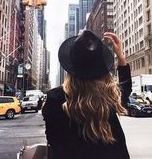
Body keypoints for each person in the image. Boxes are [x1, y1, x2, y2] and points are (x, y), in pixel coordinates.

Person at [42, 30, 132, 159]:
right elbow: (125, 89)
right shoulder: (108, 96)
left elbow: (53, 140)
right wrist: (121, 58)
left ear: (71, 66)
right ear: (102, 68)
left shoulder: (55, 98)